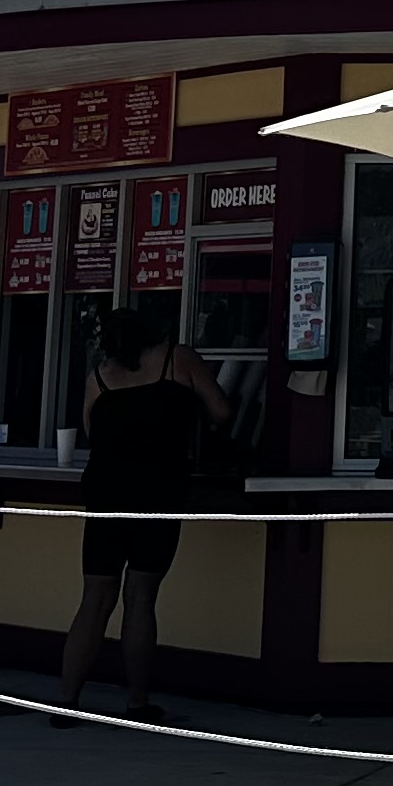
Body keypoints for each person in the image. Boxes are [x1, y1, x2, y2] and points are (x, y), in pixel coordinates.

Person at [58, 304, 234, 724]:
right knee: (140, 597)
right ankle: (137, 702)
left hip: (105, 493)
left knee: (95, 599)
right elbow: (222, 412)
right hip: (159, 491)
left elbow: (91, 431)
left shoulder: (100, 377)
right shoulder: (178, 359)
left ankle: (66, 702)